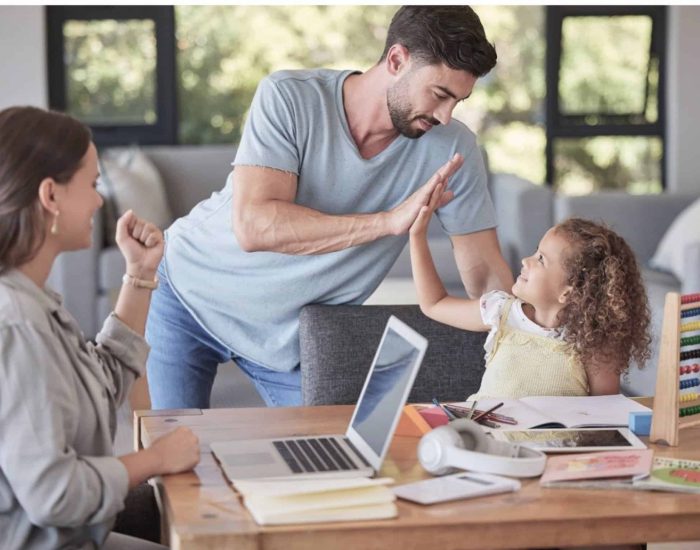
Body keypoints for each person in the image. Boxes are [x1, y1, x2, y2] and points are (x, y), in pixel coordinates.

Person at [147, 5, 514, 410]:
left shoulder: (454, 149)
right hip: (190, 294)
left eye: (458, 101)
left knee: (327, 461)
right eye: (440, 94)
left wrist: (529, 332)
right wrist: (388, 222)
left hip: (288, 342)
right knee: (172, 459)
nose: (446, 116)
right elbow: (255, 226)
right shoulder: (289, 97)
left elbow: (484, 273)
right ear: (396, 60)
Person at [0, 106, 201, 550]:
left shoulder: (35, 299)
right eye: (91, 185)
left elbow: (102, 381)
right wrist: (152, 460)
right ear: (50, 196)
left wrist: (140, 273)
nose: (98, 200)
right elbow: (56, 494)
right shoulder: (16, 323)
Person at [409, 178, 652, 398]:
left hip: (550, 447)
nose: (526, 261)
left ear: (568, 292)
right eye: (536, 252)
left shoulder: (594, 343)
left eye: (541, 260)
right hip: (484, 440)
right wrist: (417, 236)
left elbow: (606, 415)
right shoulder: (500, 311)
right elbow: (434, 304)